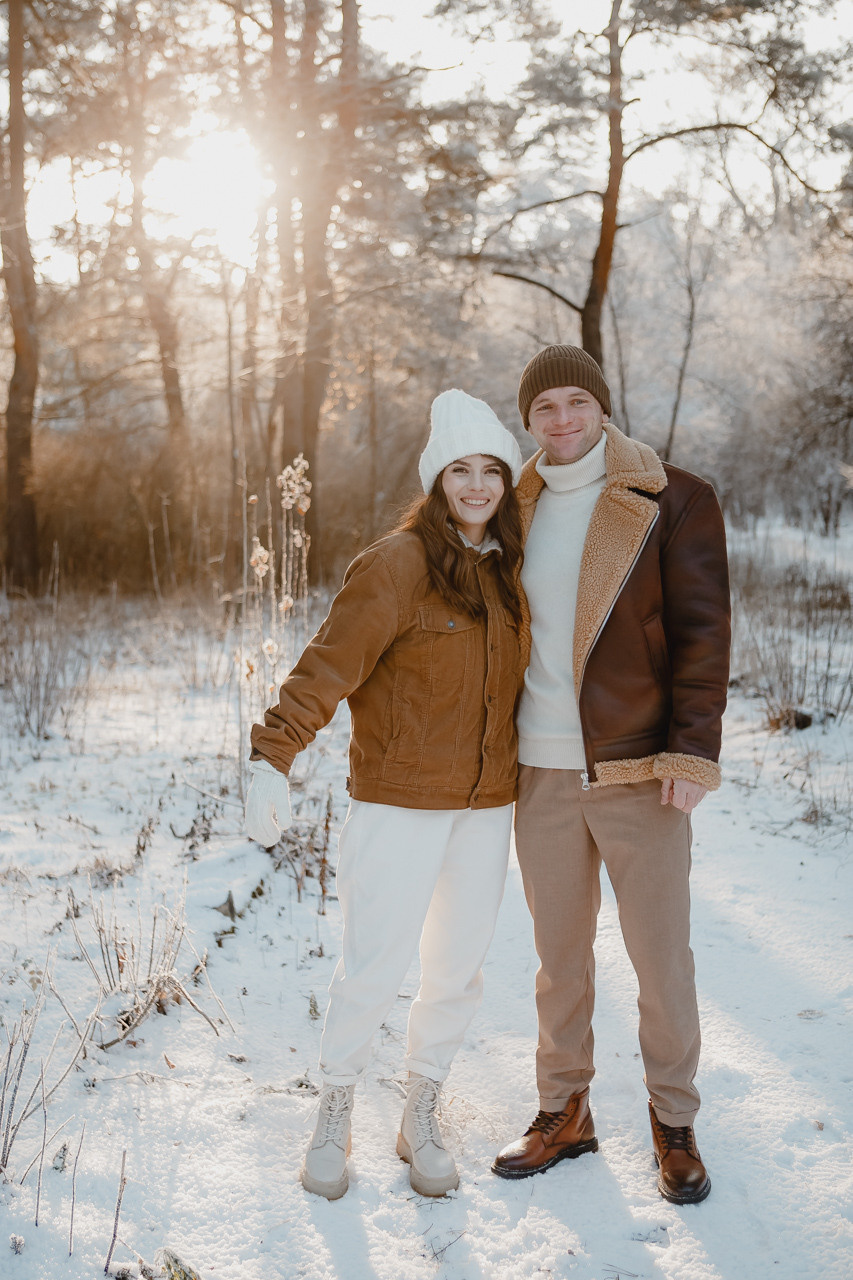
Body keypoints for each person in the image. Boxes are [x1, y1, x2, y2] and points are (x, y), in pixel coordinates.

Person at [245, 389, 524, 1201]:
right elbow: (327, 665)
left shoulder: (510, 574)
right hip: (399, 802)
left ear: (506, 483)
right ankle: (333, 1111)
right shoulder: (395, 566)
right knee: (372, 965)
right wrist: (272, 755)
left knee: (456, 972)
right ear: (436, 481)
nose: (476, 486)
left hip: (487, 805)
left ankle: (421, 1111)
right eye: (460, 471)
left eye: (491, 472)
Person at [490, 345, 730, 1205]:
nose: (560, 420)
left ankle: (673, 1118)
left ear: (600, 407)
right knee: (558, 960)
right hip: (539, 771)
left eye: (574, 403)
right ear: (527, 420)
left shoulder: (673, 498)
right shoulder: (505, 506)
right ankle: (564, 1110)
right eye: (542, 407)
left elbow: (704, 635)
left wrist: (692, 750)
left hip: (638, 770)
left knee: (660, 958)